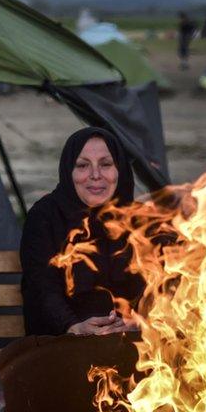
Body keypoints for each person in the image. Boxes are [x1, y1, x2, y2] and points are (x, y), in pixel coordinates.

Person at [20, 127, 144, 336]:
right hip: (63, 342)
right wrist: (74, 327)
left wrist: (137, 323)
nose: (95, 175)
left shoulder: (139, 220)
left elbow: (160, 287)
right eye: (83, 165)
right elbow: (42, 287)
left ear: (119, 170)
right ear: (69, 171)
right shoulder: (45, 216)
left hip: (136, 346)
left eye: (105, 164)